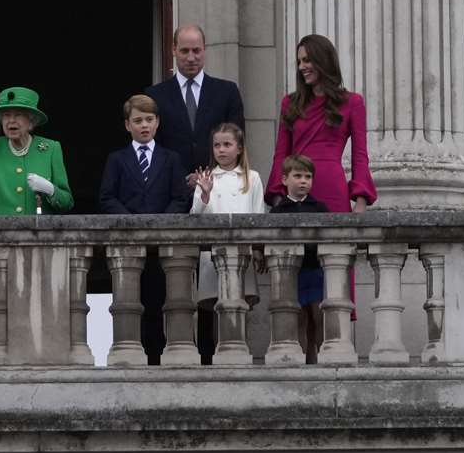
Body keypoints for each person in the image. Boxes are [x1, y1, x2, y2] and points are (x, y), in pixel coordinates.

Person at [0, 86, 73, 321]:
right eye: (6, 116)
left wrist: (50, 189)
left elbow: (67, 202)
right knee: (1, 320)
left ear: (31, 121)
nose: (10, 121)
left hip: (38, 249)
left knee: (39, 320)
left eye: (18, 115)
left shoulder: (50, 149)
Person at [99, 93, 189, 363]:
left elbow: (181, 198)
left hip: (162, 248)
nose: (144, 125)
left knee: (164, 303)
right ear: (128, 125)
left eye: (149, 119)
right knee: (128, 306)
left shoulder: (171, 158)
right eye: (138, 120)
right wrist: (131, 222)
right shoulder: (116, 159)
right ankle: (132, 358)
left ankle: (159, 359)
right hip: (129, 249)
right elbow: (106, 197)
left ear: (158, 122)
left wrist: (160, 223)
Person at [265, 33, 376, 213]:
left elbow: (360, 155)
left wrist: (361, 201)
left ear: (323, 60)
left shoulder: (352, 102)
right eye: (299, 61)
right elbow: (281, 154)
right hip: (295, 191)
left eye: (307, 60)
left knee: (336, 242)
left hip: (332, 188)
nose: (301, 67)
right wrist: (278, 196)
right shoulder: (290, 103)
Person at [190, 121, 266, 362]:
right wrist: (204, 194)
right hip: (212, 254)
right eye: (216, 145)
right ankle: (217, 354)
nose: (221, 150)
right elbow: (195, 216)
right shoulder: (207, 176)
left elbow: (258, 215)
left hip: (242, 253)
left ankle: (239, 351)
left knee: (239, 304)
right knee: (215, 306)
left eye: (227, 144)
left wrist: (257, 249)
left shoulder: (251, 178)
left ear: (239, 148)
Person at [146, 24, 246, 183]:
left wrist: (208, 176)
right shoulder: (155, 96)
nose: (191, 58)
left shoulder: (227, 92)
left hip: (218, 187)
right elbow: (152, 147)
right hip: (171, 190)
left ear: (204, 49)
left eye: (196, 51)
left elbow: (237, 140)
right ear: (174, 50)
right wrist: (181, 178)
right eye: (184, 51)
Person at [270, 153, 329, 361]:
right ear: (285, 179)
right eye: (298, 176)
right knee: (299, 318)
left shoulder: (320, 209)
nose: (303, 181)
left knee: (319, 316)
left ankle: (323, 359)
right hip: (291, 274)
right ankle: (301, 361)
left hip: (315, 270)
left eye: (308, 177)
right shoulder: (277, 212)